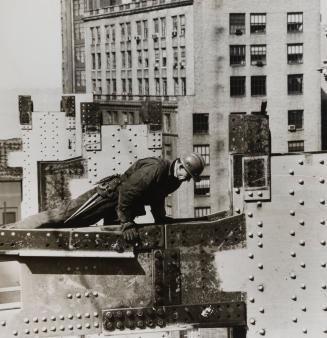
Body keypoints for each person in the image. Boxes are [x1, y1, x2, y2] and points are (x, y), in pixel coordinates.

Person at [4, 153, 205, 242]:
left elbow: (157, 197)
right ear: (180, 165)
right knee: (63, 218)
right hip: (109, 196)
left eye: (189, 177)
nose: (186, 179)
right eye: (186, 174)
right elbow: (128, 190)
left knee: (110, 238)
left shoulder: (173, 179)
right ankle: (9, 231)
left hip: (121, 206)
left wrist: (159, 218)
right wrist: (127, 222)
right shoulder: (157, 169)